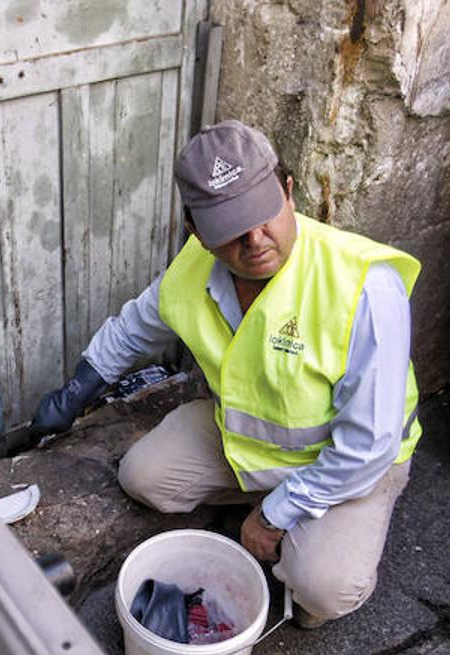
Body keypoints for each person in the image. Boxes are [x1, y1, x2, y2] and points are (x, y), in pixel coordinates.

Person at [30, 121, 421, 628]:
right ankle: (272, 512)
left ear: (288, 191)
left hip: (350, 463)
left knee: (321, 589)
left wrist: (275, 514)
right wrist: (75, 391)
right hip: (247, 439)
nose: (256, 240)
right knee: (143, 477)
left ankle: (301, 535)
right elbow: (134, 328)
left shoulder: (364, 289)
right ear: (196, 233)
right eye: (232, 228)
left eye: (265, 215)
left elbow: (368, 446)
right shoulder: (193, 267)